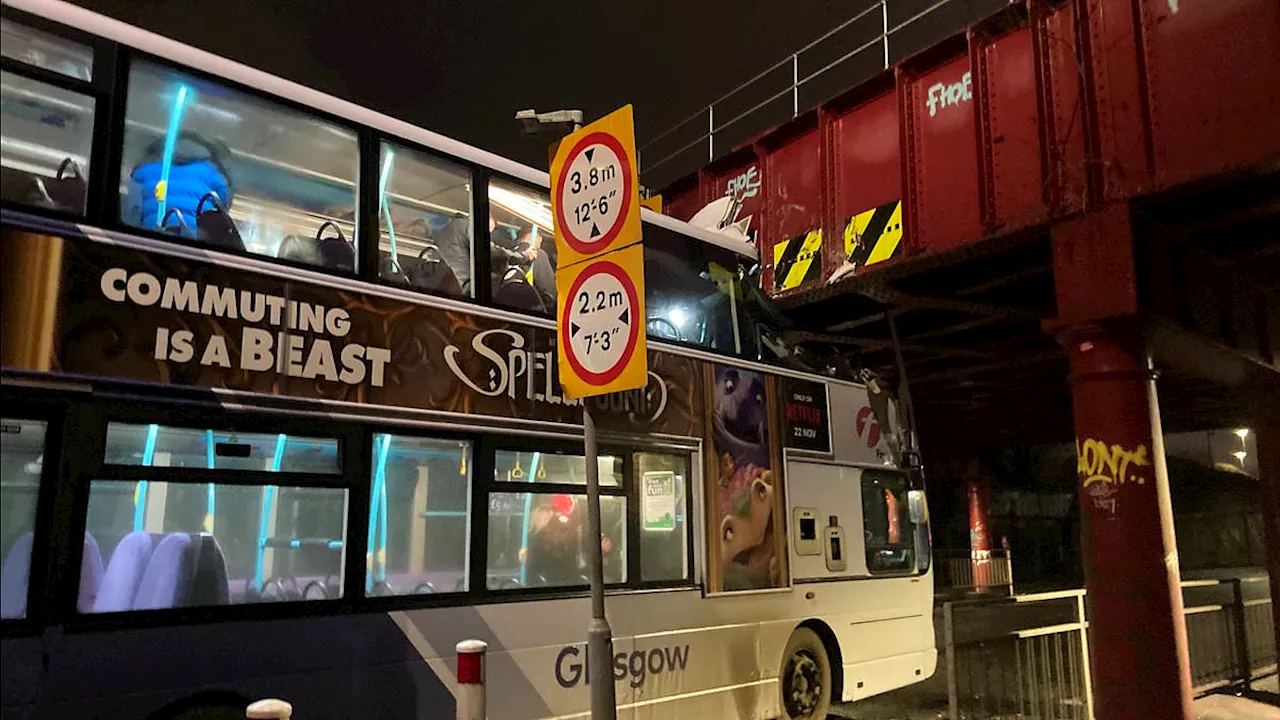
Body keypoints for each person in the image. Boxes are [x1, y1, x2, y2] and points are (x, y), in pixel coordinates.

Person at [122, 131, 234, 241]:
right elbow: (224, 201)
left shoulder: (144, 170)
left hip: (152, 240)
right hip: (193, 242)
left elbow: (132, 213)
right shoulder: (210, 171)